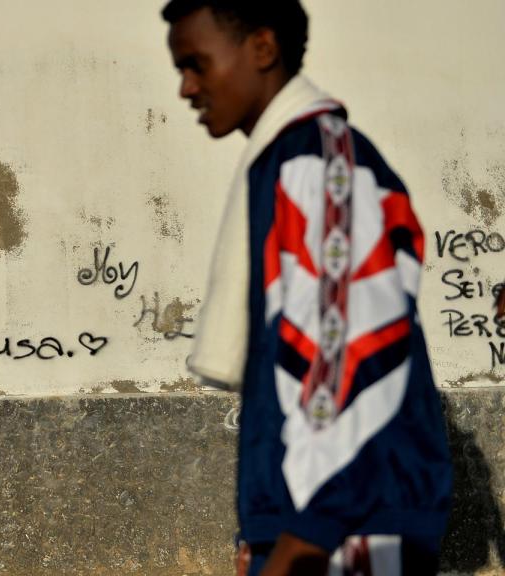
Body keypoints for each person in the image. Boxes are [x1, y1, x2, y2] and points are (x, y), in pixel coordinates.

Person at [161, 1, 453, 574]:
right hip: (316, 522)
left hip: (341, 532)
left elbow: (350, 335)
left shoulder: (318, 164)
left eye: (196, 64)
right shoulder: (289, 160)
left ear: (263, 49)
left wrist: (305, 533)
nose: (186, 88)